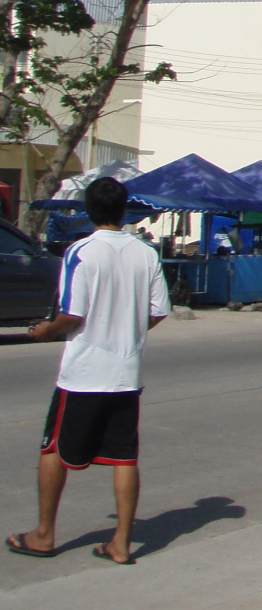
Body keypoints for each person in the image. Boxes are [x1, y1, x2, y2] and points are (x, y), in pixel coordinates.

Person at [7, 177, 170, 565]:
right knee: (124, 458)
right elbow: (158, 310)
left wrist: (46, 331)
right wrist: (128, 329)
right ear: (123, 210)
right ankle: (122, 542)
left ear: (89, 210)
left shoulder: (81, 251)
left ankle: (44, 535)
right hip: (125, 374)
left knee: (53, 448)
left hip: (83, 375)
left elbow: (71, 315)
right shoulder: (145, 253)